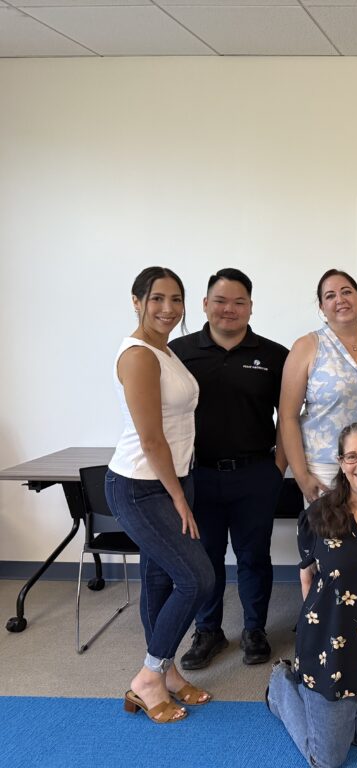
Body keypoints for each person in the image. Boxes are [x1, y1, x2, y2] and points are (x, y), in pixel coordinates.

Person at [268, 422, 357, 766]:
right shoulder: (317, 515)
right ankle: (281, 685)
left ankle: (343, 708)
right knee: (328, 759)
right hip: (330, 643)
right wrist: (315, 630)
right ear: (340, 462)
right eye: (351, 456)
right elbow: (307, 579)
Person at [106, 267, 214, 724]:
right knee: (198, 579)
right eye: (157, 299)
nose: (168, 308)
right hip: (140, 485)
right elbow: (151, 439)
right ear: (136, 301)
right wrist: (180, 498)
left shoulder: (164, 351)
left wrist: (180, 486)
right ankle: (148, 678)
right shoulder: (138, 356)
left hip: (171, 479)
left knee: (160, 579)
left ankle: (165, 672)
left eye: (176, 299)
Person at [170, 268, 289, 670]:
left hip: (256, 473)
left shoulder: (274, 355)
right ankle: (209, 631)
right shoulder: (179, 352)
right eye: (220, 301)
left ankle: (254, 629)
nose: (229, 309)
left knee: (254, 556)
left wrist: (278, 467)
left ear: (251, 307)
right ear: (205, 305)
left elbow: (288, 417)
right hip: (198, 474)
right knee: (206, 558)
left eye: (239, 302)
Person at [280, 269, 357, 503]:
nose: (340, 300)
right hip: (326, 467)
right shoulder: (307, 346)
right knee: (330, 537)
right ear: (322, 307)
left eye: (346, 292)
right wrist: (301, 476)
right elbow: (287, 416)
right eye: (330, 296)